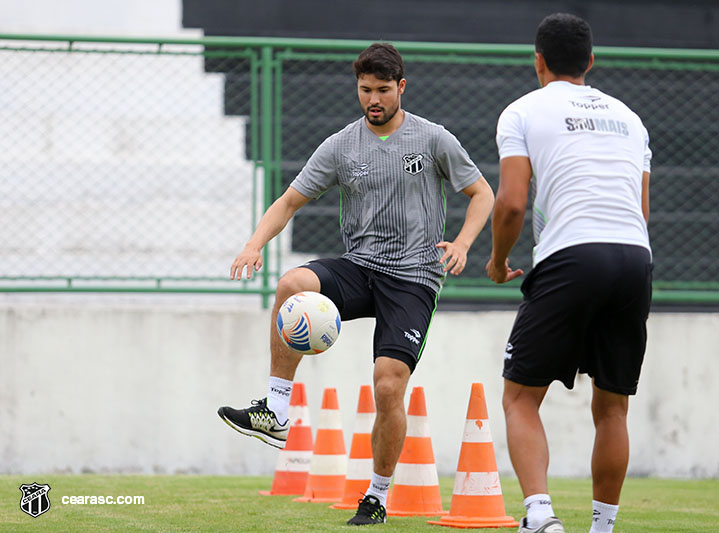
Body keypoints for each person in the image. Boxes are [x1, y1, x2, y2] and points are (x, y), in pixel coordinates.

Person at [218, 42, 494, 526]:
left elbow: (481, 192)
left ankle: (377, 495)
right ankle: (277, 411)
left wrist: (465, 242)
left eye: (383, 90)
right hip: (361, 266)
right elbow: (287, 202)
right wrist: (253, 244)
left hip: (413, 278)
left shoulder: (433, 139)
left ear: (401, 88)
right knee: (291, 285)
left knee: (388, 386)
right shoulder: (342, 145)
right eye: (365, 89)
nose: (373, 99)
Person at [486, 13, 653, 533]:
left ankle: (539, 515)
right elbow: (641, 212)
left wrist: (496, 261)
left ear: (537, 60)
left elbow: (511, 204)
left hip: (572, 256)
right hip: (634, 257)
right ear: (591, 62)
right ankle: (602, 527)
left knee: (519, 395)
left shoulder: (522, 111)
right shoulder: (631, 118)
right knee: (613, 408)